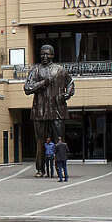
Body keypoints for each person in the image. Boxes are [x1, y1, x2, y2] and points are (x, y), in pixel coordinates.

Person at [24, 44, 75, 177]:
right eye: (42, 54)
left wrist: (68, 94)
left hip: (57, 109)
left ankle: (60, 168)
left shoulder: (60, 70)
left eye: (47, 54)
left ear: (53, 55)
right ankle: (40, 169)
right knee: (40, 141)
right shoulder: (35, 70)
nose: (45, 56)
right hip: (40, 111)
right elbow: (27, 88)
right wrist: (43, 83)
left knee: (60, 141)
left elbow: (70, 83)